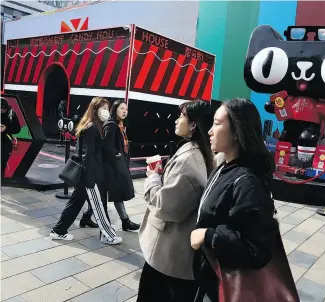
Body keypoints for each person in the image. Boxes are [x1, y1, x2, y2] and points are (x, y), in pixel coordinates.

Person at [191, 98, 281, 302]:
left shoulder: (247, 181)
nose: (209, 131)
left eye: (217, 123)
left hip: (227, 288)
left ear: (236, 131)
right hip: (211, 279)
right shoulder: (226, 167)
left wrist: (209, 235)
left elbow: (257, 248)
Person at [137, 100, 214, 302]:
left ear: (193, 124)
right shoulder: (201, 153)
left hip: (168, 256)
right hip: (179, 255)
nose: (176, 120)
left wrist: (153, 177)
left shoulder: (187, 161)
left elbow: (166, 207)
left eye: (181, 116)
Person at [50, 97, 123, 245]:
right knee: (99, 206)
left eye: (107, 108)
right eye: (103, 108)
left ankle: (58, 231)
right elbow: (87, 155)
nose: (106, 111)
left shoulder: (93, 126)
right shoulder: (92, 128)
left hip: (88, 174)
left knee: (76, 203)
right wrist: (91, 178)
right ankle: (107, 235)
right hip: (90, 175)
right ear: (94, 110)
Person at [103, 100, 140, 231]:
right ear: (115, 110)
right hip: (112, 167)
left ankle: (125, 221)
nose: (124, 111)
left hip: (117, 165)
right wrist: (116, 155)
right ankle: (125, 221)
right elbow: (107, 146)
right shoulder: (112, 125)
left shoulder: (120, 125)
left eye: (126, 109)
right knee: (115, 193)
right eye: (121, 108)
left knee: (113, 194)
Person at [1, 98, 21, 179]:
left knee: (2, 163)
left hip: (5, 142)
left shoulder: (11, 114)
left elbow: (17, 129)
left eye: (2, 110)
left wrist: (6, 129)